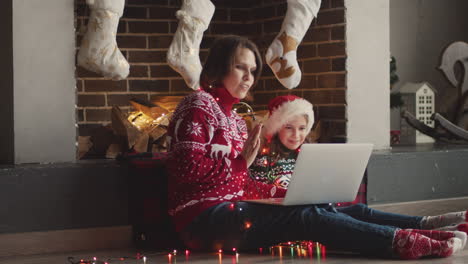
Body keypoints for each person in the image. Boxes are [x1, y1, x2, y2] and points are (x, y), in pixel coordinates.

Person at [166, 35, 467, 260]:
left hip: (231, 209)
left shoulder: (234, 120)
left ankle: (422, 226)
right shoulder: (197, 105)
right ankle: (403, 243)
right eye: (240, 68)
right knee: (304, 218)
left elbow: (238, 182)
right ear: (219, 67)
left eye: (253, 71)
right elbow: (185, 170)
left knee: (319, 206)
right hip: (202, 221)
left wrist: (283, 196)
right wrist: (243, 162)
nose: (249, 78)